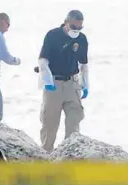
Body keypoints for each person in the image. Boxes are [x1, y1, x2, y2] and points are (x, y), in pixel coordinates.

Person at [37, 10, 89, 152]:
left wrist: (85, 85)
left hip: (72, 84)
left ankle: (70, 155)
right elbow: (43, 61)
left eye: (79, 28)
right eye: (73, 27)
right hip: (54, 83)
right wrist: (47, 82)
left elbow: (83, 65)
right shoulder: (53, 35)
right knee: (50, 123)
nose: (76, 30)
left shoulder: (82, 39)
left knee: (74, 122)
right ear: (66, 22)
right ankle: (46, 154)